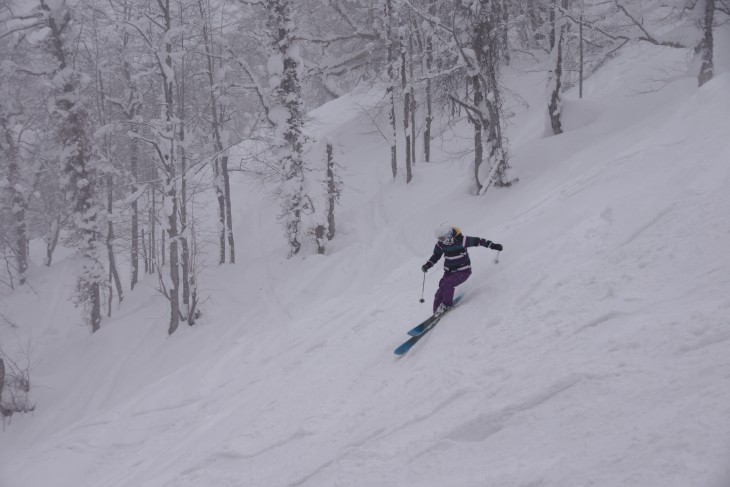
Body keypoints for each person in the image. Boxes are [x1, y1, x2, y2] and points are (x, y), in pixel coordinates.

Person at [421, 224, 503, 316]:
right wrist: (428, 265)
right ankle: (436, 312)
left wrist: (493, 245)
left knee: (448, 283)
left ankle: (446, 305)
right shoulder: (440, 245)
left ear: (449, 234)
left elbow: (479, 241)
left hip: (463, 271)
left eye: (443, 238)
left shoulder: (462, 240)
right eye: (439, 238)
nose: (441, 240)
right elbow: (435, 256)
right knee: (439, 292)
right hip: (449, 272)